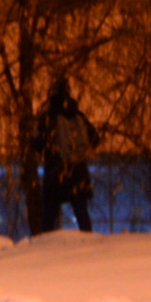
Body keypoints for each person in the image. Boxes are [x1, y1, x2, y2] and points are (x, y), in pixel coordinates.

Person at [35, 76, 99, 232]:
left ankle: (42, 250)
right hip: (78, 171)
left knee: (49, 215)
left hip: (56, 172)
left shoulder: (48, 116)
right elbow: (95, 139)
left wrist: (46, 150)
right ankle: (90, 244)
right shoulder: (77, 115)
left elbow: (39, 143)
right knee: (81, 212)